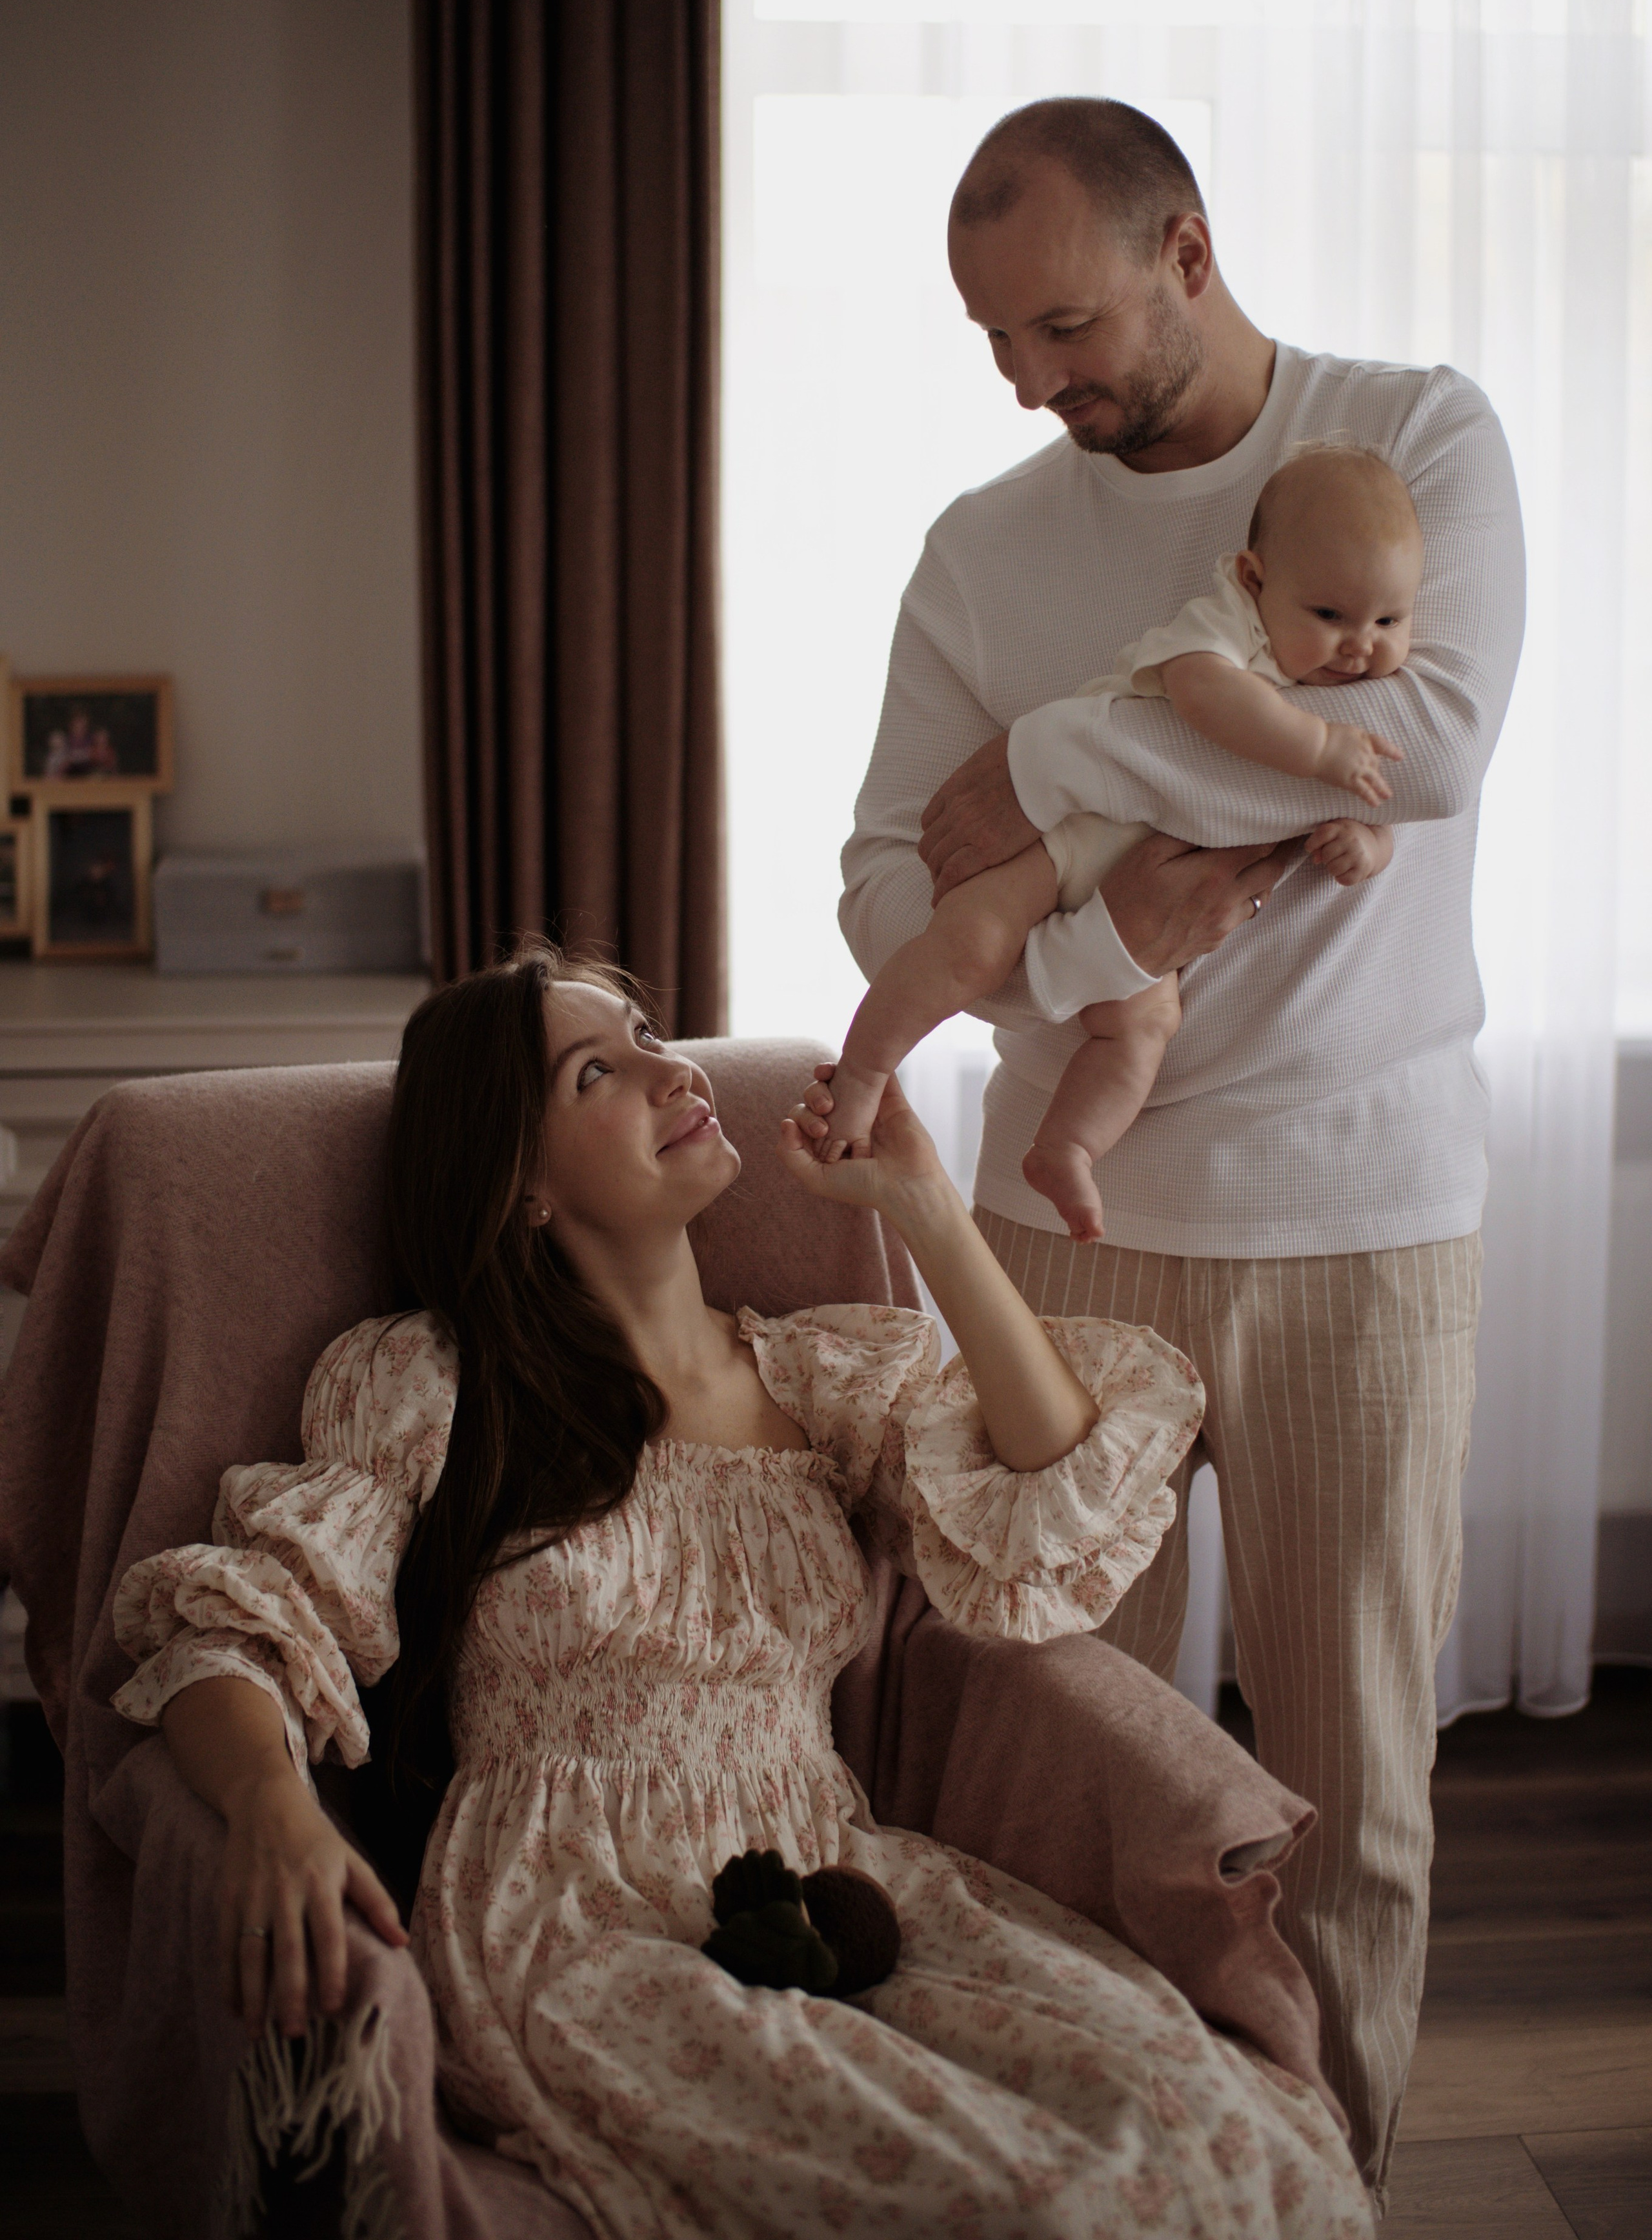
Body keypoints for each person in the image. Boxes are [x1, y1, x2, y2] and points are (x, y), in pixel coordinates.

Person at [108, 942, 1371, 2240]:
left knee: (1194, 2114)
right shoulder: (433, 1385)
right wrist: (272, 1803)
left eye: (650, 1031)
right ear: (520, 1180)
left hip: (842, 1872)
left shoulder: (816, 1378)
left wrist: (924, 1208)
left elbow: (1048, 1488)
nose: (669, 1065)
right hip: (581, 1918)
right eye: (598, 1067)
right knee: (1040, 2197)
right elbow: (241, 1624)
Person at [835, 96, 1524, 2201]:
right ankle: (1119, 2192)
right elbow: (881, 883)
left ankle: (1334, 2189)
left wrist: (1063, 769)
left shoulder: (1412, 439)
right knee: (1065, 1775)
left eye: (1060, 322)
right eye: (994, 343)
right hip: (1079, 1241)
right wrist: (1087, 942)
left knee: (1348, 1788)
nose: (1034, 382)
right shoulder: (984, 546)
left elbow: (1435, 745)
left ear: (1189, 250)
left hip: (1362, 1215)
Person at [820, 445, 1418, 1240]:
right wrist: (1315, 755)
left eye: (1388, 621)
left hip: (1150, 930)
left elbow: (1389, 815)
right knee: (970, 946)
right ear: (1254, 578)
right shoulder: (1228, 627)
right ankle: (863, 1072)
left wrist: (1362, 847)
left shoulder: (1366, 707)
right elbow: (1203, 696)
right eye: (1331, 617)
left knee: (1141, 1029)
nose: (1359, 646)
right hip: (1064, 843)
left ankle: (1066, 1147)